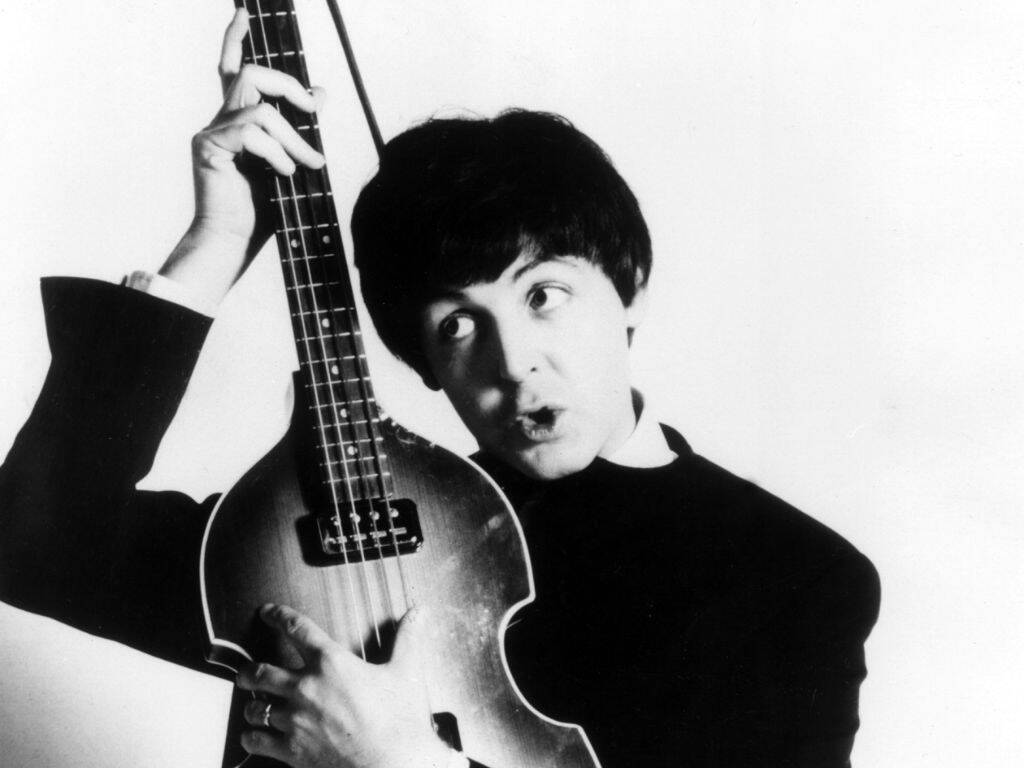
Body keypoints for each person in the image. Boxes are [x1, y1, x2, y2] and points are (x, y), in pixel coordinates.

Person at [0, 10, 879, 768]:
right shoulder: (358, 535)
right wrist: (217, 238)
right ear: (423, 364)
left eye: (545, 295)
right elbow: (34, 544)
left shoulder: (795, 579)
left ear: (632, 288)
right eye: (457, 324)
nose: (513, 360)